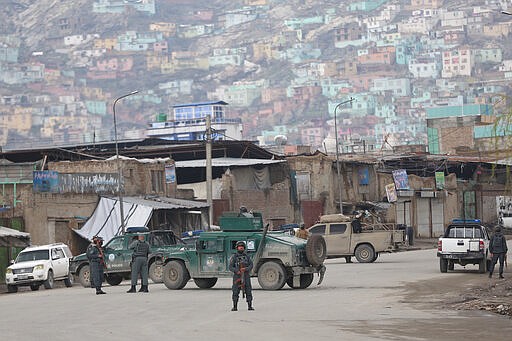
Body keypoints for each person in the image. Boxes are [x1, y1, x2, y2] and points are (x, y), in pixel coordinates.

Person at [228, 241, 254, 311]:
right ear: (237, 248)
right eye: (239, 247)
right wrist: (237, 271)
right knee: (235, 291)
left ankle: (250, 306)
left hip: (246, 275)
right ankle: (235, 306)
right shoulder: (234, 257)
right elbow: (230, 267)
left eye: (242, 247)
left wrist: (245, 269)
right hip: (237, 276)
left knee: (248, 290)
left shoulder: (247, 256)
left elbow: (251, 265)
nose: (241, 248)